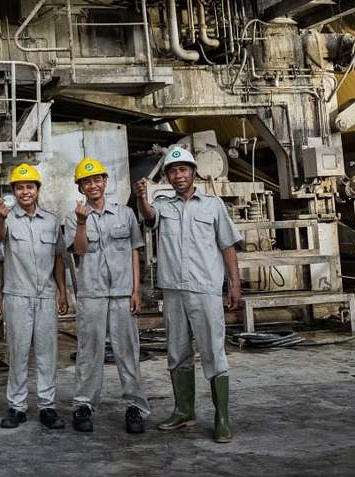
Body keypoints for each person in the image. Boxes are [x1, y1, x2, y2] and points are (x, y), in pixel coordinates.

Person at [134, 145, 243, 443]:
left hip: (205, 289)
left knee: (212, 352)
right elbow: (149, 217)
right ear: (167, 176)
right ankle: (184, 410)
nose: (178, 175)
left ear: (193, 172)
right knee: (177, 352)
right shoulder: (163, 204)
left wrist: (235, 283)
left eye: (183, 169)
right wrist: (142, 197)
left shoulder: (213, 205)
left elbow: (227, 247)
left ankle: (222, 417)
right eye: (173, 170)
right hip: (173, 291)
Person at [65, 157, 148, 435]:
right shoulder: (73, 215)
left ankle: (135, 406)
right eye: (86, 181)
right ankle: (83, 405)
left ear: (105, 182)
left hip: (123, 293)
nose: (93, 185)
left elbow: (135, 250)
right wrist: (80, 222)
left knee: (128, 352)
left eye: (97, 179)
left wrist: (136, 290)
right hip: (92, 294)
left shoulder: (124, 214)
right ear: (80, 187)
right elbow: (79, 250)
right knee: (89, 353)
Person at [0, 163, 67, 430]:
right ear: (13, 190)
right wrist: (0, 217)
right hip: (17, 295)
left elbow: (59, 256)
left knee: (48, 354)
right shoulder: (5, 218)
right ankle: (17, 407)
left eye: (30, 187)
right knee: (18, 353)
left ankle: (47, 407)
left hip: (46, 296)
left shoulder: (51, 220)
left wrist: (62, 291)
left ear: (37, 190)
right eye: (20, 187)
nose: (25, 192)